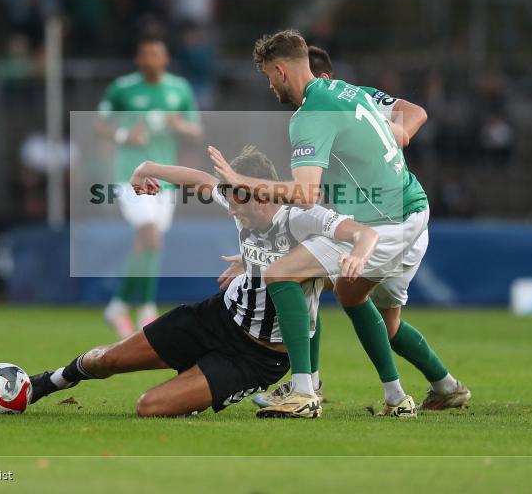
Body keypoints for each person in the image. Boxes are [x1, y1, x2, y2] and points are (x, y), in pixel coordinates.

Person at [27, 147, 378, 417]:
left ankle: (219, 390)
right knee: (109, 360)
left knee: (149, 407)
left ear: (259, 192)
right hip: (215, 317)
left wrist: (358, 254)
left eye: (237, 200)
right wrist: (146, 169)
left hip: (256, 357)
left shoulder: (302, 217)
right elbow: (199, 180)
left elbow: (363, 232)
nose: (230, 209)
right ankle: (43, 383)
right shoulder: (239, 201)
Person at [207, 30, 444, 418]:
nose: (269, 86)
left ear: (281, 71)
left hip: (382, 224)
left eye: (268, 77)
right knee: (348, 294)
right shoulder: (351, 91)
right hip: (407, 211)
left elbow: (304, 193)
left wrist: (242, 182)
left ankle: (304, 390)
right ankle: (396, 397)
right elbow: (408, 113)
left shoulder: (310, 116)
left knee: (283, 274)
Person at [95, 35, 202, 336]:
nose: (152, 60)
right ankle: (146, 308)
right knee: (151, 236)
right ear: (139, 60)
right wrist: (123, 136)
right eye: (146, 55)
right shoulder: (122, 88)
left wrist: (180, 125)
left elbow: (196, 129)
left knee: (147, 242)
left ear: (165, 59)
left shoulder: (179, 89)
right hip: (131, 175)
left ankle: (117, 306)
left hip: (166, 180)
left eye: (157, 55)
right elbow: (100, 124)